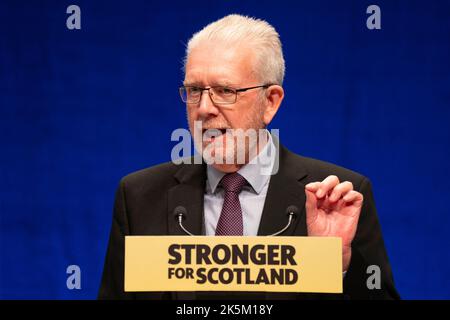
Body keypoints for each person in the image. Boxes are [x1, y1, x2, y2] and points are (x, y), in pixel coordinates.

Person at [98, 14, 399, 300]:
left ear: (270, 102)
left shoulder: (338, 199)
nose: (204, 108)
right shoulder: (139, 197)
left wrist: (338, 268)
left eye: (225, 90)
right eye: (194, 90)